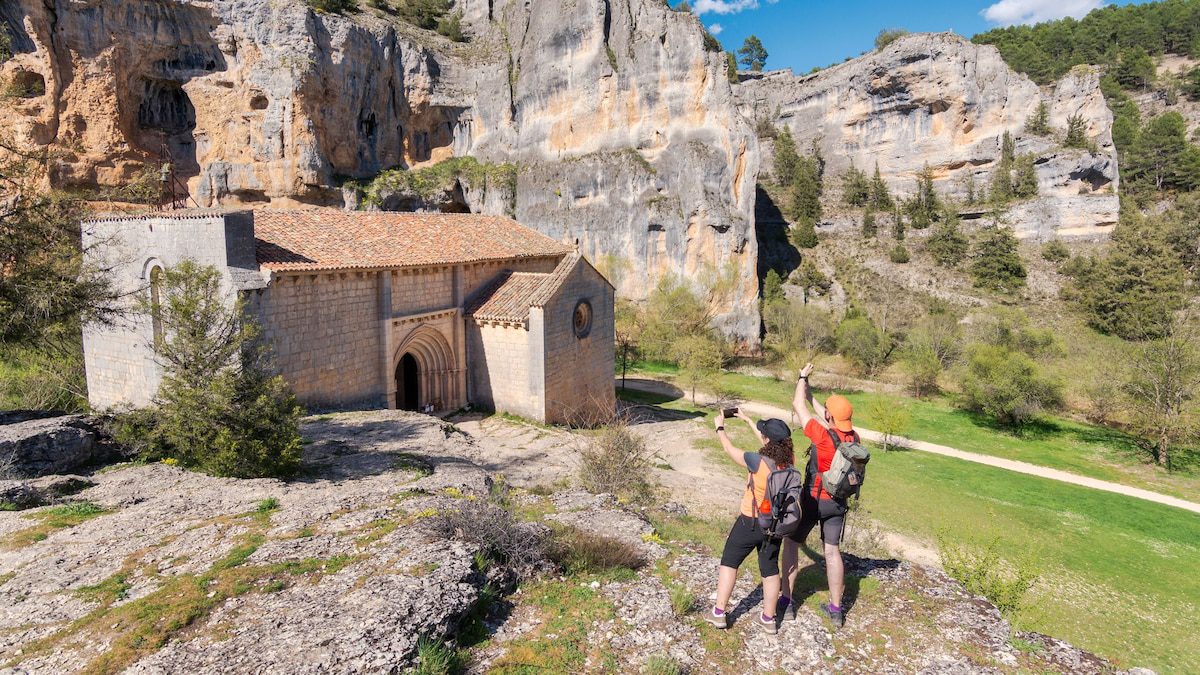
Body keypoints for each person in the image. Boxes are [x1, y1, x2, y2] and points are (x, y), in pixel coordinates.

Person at [777, 362, 859, 630]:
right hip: (837, 504)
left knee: (790, 544)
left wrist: (801, 376)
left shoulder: (822, 438)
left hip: (812, 501)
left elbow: (797, 405)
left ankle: (786, 602)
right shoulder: (853, 437)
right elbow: (823, 414)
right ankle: (836, 610)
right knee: (832, 553)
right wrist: (811, 393)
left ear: (829, 417)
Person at [705, 409, 795, 634]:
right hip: (774, 526)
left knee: (729, 562)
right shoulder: (789, 463)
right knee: (770, 570)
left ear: (767, 440)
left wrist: (720, 428)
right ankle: (768, 619)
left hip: (750, 521)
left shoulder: (755, 461)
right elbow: (768, 445)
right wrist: (746, 420)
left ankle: (719, 613)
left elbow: (728, 449)